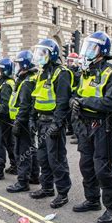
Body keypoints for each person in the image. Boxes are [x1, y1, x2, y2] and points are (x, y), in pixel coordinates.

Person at [70, 31, 112, 223]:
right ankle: (92, 200)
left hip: (102, 127)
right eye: (88, 47)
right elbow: (76, 94)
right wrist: (74, 102)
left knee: (104, 169)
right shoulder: (86, 72)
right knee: (86, 165)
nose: (88, 52)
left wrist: (84, 102)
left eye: (93, 48)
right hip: (85, 126)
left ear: (102, 51)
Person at [30, 39, 73, 209]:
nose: (39, 56)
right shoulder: (41, 73)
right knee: (43, 158)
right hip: (41, 122)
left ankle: (62, 193)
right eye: (38, 53)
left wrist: (57, 123)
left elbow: (62, 102)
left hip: (53, 123)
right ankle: (47, 187)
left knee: (56, 159)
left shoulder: (60, 73)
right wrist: (33, 118)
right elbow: (37, 96)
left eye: (43, 53)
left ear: (51, 54)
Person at [6, 50, 39, 192]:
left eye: (18, 64)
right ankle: (34, 176)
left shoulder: (26, 83)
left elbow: (24, 106)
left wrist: (18, 123)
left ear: (25, 65)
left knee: (22, 152)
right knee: (31, 149)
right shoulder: (30, 79)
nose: (16, 67)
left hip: (23, 122)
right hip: (28, 122)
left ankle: (22, 182)